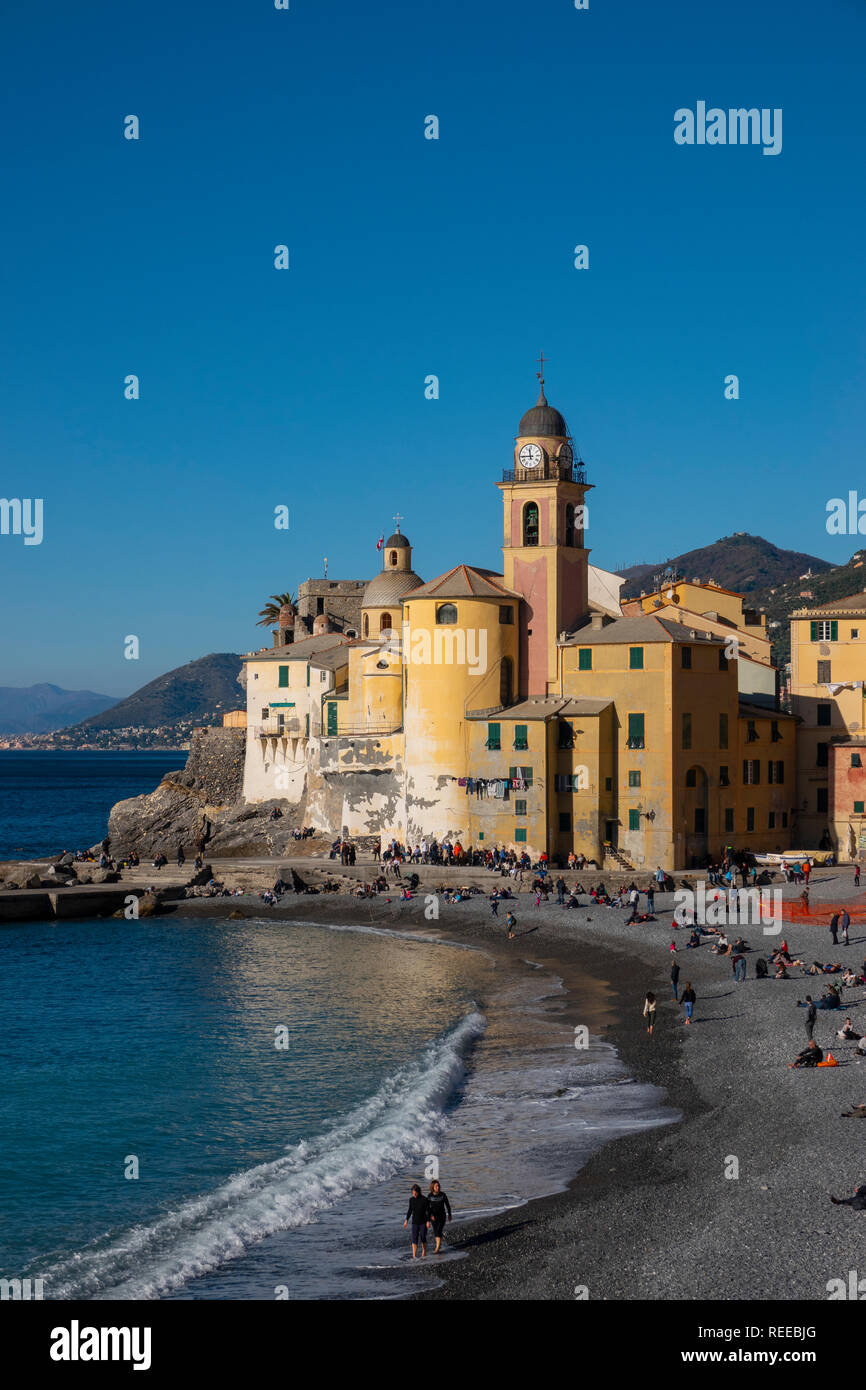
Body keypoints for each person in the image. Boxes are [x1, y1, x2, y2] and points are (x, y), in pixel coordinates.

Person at [403, 1184, 430, 1258]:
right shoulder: (411, 1200)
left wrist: (428, 1221)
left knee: (423, 1237)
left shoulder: (424, 1199)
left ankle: (424, 1251)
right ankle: (414, 1255)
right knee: (414, 1238)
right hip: (414, 1222)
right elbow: (410, 1210)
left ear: (418, 1192)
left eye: (415, 1193)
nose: (414, 1194)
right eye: (412, 1193)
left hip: (423, 1222)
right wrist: (406, 1220)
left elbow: (428, 1211)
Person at [427, 1180, 452, 1254]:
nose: (437, 1187)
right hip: (433, 1217)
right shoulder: (430, 1196)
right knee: (436, 1232)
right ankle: (439, 1244)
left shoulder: (443, 1195)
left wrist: (449, 1214)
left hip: (442, 1216)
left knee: (438, 1230)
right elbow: (427, 1208)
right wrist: (429, 1217)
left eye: (438, 1186)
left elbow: (448, 1205)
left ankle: (437, 1248)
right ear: (432, 1187)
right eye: (436, 1186)